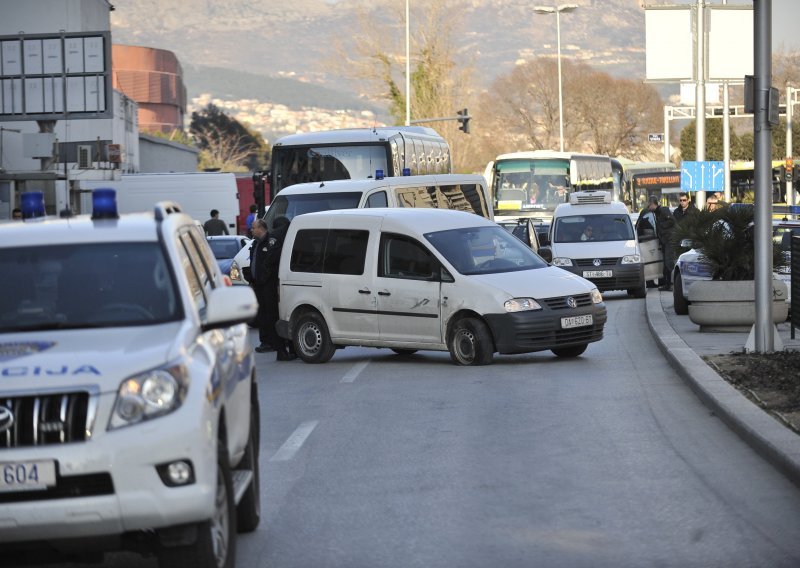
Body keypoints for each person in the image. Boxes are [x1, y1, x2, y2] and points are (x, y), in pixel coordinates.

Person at [249, 217, 297, 360]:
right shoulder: (257, 244)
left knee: (273, 318)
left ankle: (282, 350)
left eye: (254, 227)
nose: (252, 230)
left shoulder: (271, 243)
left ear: (261, 228)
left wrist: (262, 279)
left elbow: (270, 265)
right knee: (266, 318)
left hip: (268, 288)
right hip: (260, 288)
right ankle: (277, 348)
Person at [637, 195, 676, 291]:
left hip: (669, 241)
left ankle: (671, 284)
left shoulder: (663, 210)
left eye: (648, 206)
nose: (648, 208)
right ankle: (667, 285)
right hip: (664, 241)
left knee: (669, 263)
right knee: (665, 265)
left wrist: (661, 226)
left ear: (652, 204)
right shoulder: (656, 213)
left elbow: (672, 221)